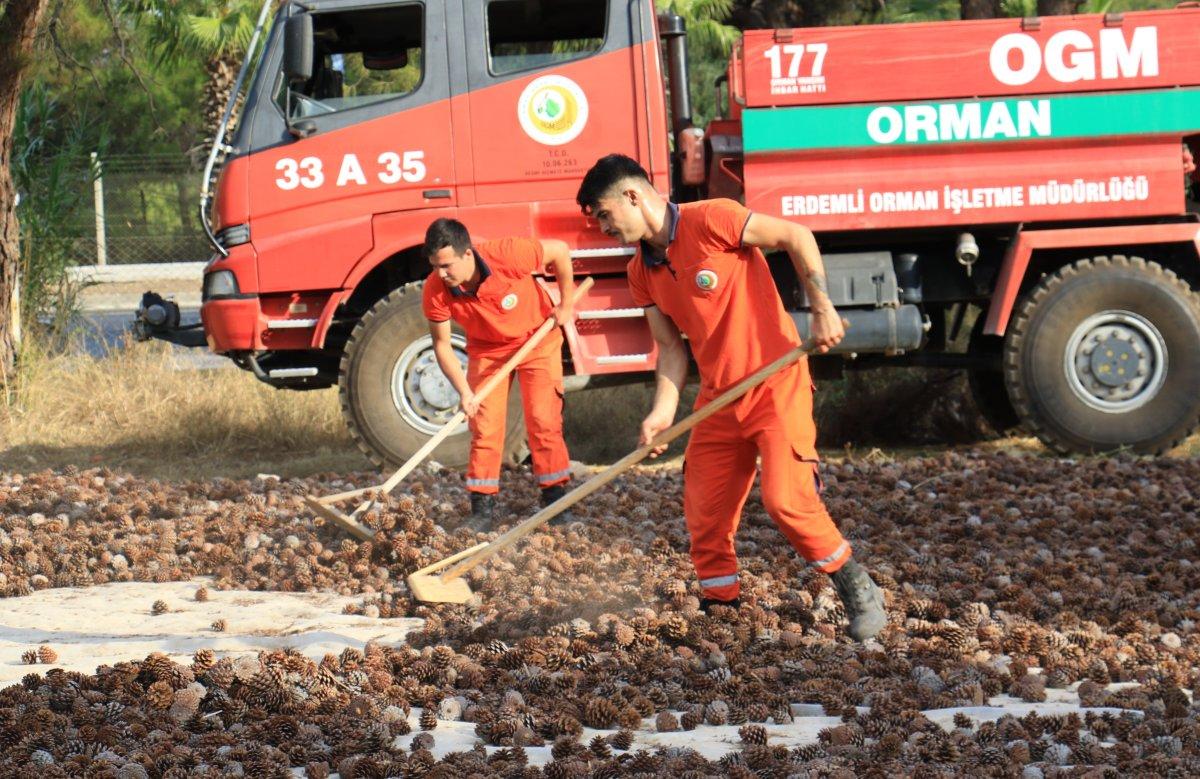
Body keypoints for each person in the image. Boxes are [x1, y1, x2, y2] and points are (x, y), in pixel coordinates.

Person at [575, 154, 886, 641]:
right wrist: (661, 412)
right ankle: (722, 604)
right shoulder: (642, 273)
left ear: (632, 196)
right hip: (719, 399)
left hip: (775, 384)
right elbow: (672, 351)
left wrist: (821, 306)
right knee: (705, 510)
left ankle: (857, 586)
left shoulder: (713, 218)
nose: (605, 229)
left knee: (786, 501)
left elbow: (796, 236)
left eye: (606, 217)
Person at [422, 218, 576, 529]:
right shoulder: (435, 289)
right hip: (487, 350)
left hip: (538, 339)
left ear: (468, 255)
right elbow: (442, 346)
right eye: (436, 266)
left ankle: (556, 501)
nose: (441, 274)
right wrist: (465, 392)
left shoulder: (508, 254)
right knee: (485, 427)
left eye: (447, 265)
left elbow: (560, 251)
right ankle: (482, 508)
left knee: (543, 421)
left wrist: (566, 304)